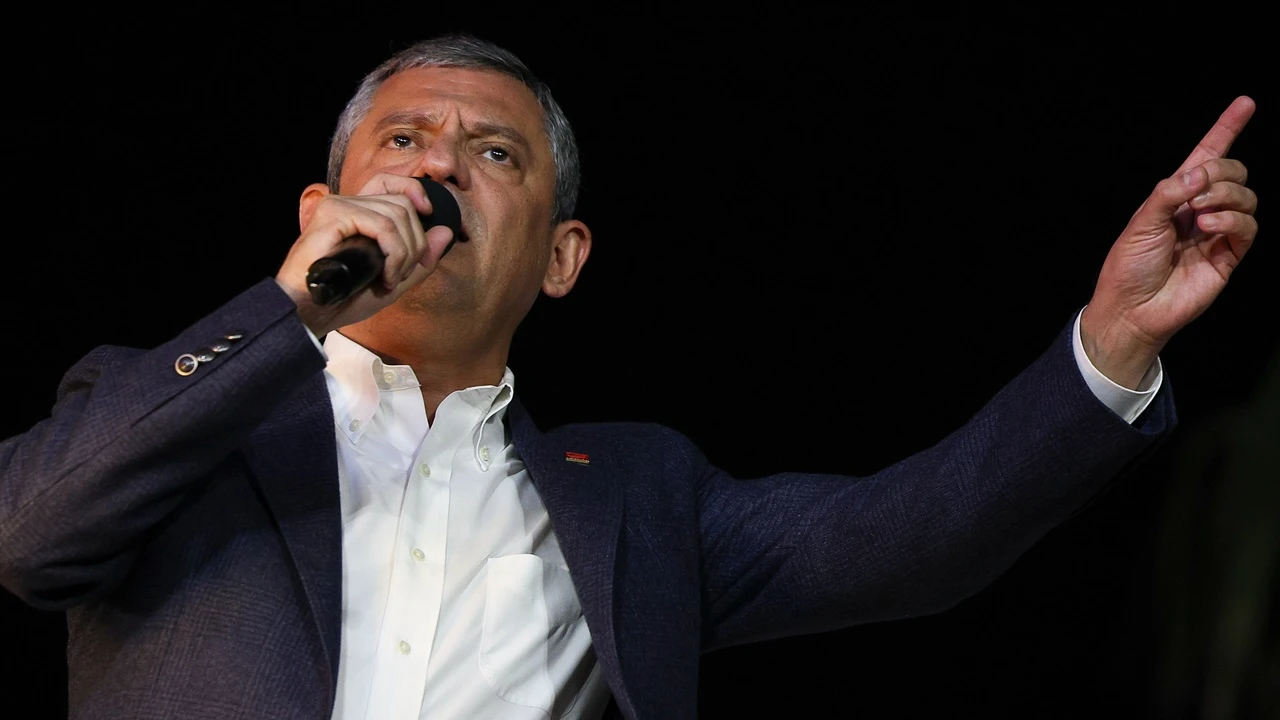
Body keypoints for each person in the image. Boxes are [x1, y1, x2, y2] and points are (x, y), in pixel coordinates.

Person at [0, 32, 1260, 720]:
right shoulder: (170, 421)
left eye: (492, 152)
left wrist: (1112, 341)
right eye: (404, 140)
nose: (436, 170)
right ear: (319, 207)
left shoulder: (637, 494)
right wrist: (291, 307)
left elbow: (916, 536)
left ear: (561, 258)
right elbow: (29, 534)